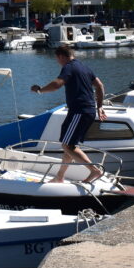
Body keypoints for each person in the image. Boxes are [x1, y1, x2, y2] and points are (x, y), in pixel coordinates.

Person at [31, 45, 107, 184]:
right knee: (69, 145)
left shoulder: (69, 67)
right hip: (85, 111)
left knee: (67, 146)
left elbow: (57, 84)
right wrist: (100, 106)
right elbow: (100, 86)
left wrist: (40, 90)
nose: (58, 62)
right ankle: (60, 176)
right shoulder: (84, 67)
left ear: (61, 56)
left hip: (80, 111)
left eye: (57, 59)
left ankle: (94, 170)